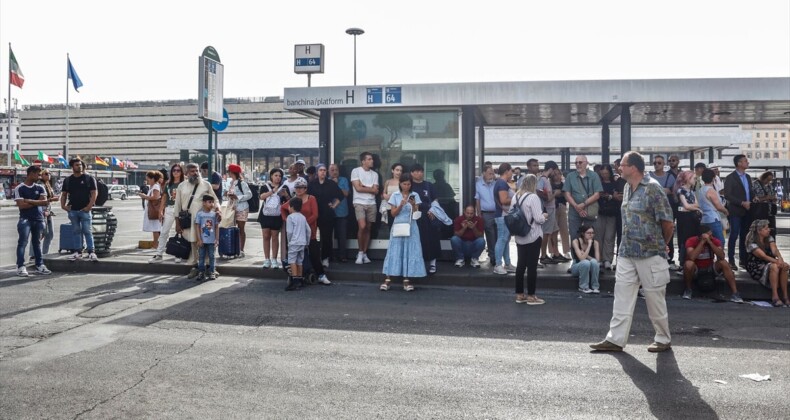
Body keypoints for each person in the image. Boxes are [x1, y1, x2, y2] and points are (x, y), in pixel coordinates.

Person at [590, 151, 674, 353]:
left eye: (623, 164)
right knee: (622, 296)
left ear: (634, 167)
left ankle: (663, 338)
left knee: (654, 298)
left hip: (650, 253)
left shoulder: (654, 189)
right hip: (627, 252)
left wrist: (662, 243)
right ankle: (615, 339)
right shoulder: (627, 187)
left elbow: (668, 222)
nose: (619, 167)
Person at [281, 177, 330, 285]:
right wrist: (287, 220)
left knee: (314, 254)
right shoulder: (293, 200)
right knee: (297, 257)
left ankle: (321, 275)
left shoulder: (311, 198)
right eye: (297, 187)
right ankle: (298, 277)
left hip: (310, 231)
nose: (299, 189)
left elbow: (315, 214)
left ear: (305, 188)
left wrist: (304, 224)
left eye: (301, 187)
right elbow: (283, 208)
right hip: (296, 234)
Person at [174, 163, 220, 279]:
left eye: (197, 170)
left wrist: (218, 210)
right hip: (188, 220)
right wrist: (177, 222)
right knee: (193, 242)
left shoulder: (206, 185)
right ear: (186, 173)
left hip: (205, 221)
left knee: (208, 243)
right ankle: (195, 267)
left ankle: (210, 268)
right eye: (192, 171)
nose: (196, 173)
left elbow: (214, 199)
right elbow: (177, 205)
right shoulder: (181, 186)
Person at [381, 173, 426, 291]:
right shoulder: (395, 195)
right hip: (398, 224)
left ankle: (407, 279)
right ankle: (387, 278)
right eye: (404, 184)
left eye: (409, 184)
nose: (406, 186)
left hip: (411, 225)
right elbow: (393, 214)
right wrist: (401, 205)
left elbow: (417, 214)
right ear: (400, 184)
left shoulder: (414, 195)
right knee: (395, 250)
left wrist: (413, 205)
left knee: (409, 251)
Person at [682, 225, 743, 303]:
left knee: (724, 263)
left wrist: (710, 243)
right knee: (688, 264)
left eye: (711, 234)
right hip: (696, 268)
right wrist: (702, 243)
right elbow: (692, 257)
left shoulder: (714, 240)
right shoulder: (691, 241)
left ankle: (735, 293)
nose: (710, 236)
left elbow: (721, 256)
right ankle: (688, 289)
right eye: (708, 235)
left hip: (710, 267)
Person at [511, 174, 547, 304]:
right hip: (533, 235)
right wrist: (544, 216)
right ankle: (531, 296)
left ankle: (520, 294)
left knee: (520, 265)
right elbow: (538, 219)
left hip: (520, 235)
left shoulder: (515, 196)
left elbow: (511, 213)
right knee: (532, 266)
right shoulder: (533, 197)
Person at [14, 166, 51, 277]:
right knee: (22, 243)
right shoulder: (20, 188)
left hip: (39, 219)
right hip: (25, 219)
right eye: (37, 174)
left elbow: (44, 202)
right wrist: (36, 202)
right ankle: (20, 266)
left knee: (37, 243)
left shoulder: (40, 187)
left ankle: (40, 265)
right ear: (30, 174)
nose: (39, 176)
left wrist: (28, 200)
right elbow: (21, 206)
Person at [744, 219, 790, 307]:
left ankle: (785, 296)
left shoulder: (769, 238)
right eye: (766, 228)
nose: (769, 229)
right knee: (774, 267)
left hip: (771, 262)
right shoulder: (752, 242)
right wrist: (777, 262)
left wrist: (780, 260)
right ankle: (775, 296)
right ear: (759, 231)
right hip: (756, 265)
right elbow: (763, 256)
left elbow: (775, 251)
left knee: (784, 267)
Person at [60, 158, 99, 262]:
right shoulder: (68, 180)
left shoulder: (89, 178)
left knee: (87, 231)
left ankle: (91, 251)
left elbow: (94, 193)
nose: (79, 166)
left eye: (80, 165)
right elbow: (64, 194)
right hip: (73, 210)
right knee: (76, 231)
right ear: (72, 167)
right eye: (77, 165)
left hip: (85, 210)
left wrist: (89, 206)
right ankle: (78, 251)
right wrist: (63, 206)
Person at [563, 155, 602, 254]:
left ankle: (591, 260)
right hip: (574, 211)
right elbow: (567, 193)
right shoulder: (570, 176)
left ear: (586, 163)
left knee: (590, 235)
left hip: (589, 210)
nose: (578, 165)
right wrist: (577, 207)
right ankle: (576, 260)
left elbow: (597, 194)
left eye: (580, 162)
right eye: (576, 163)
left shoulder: (594, 176)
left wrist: (583, 204)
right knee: (574, 235)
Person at [307, 163, 344, 269]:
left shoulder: (331, 183)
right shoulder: (312, 184)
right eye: (320, 170)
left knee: (326, 237)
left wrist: (334, 205)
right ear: (317, 172)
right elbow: (307, 197)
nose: (323, 172)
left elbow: (340, 196)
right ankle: (313, 257)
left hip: (327, 213)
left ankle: (325, 257)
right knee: (312, 236)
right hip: (314, 212)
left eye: (324, 170)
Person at [723, 154, 754, 270]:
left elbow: (750, 192)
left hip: (748, 211)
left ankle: (743, 259)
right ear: (739, 163)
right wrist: (742, 203)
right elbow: (727, 195)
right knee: (734, 234)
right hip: (736, 211)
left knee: (745, 236)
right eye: (745, 161)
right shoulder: (730, 177)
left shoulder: (748, 177)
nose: (748, 163)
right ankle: (731, 259)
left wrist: (752, 199)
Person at [649, 155, 679, 270]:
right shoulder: (649, 176)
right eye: (655, 163)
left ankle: (669, 259)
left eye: (659, 163)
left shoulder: (670, 177)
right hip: (652, 211)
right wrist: (664, 190)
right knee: (653, 234)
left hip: (666, 210)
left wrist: (669, 191)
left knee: (668, 234)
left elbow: (674, 191)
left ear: (663, 164)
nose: (657, 165)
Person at [150, 163, 184, 263]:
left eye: (178, 170)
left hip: (181, 211)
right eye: (174, 170)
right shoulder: (169, 183)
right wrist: (161, 211)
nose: (176, 172)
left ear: (181, 172)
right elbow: (164, 198)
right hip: (169, 209)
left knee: (180, 233)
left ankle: (179, 254)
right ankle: (159, 254)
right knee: (164, 232)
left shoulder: (184, 183)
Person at [350, 152, 379, 265]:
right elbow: (357, 188)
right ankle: (360, 252)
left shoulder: (375, 174)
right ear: (363, 161)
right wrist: (369, 188)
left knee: (368, 227)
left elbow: (376, 190)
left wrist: (363, 186)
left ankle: (365, 253)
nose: (372, 161)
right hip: (359, 202)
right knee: (362, 226)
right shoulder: (355, 171)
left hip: (372, 203)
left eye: (372, 159)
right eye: (369, 159)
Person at [259, 168, 287, 269]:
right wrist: (272, 191)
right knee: (266, 236)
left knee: (275, 237)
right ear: (271, 176)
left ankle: (274, 259)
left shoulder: (284, 187)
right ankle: (267, 259)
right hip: (265, 215)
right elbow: (261, 197)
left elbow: (288, 201)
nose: (278, 178)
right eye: (276, 175)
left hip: (277, 215)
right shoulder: (265, 186)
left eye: (280, 176)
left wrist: (286, 195)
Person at [28, 169, 58, 259]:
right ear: (41, 175)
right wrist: (51, 200)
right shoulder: (40, 185)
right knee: (39, 233)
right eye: (46, 174)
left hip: (48, 211)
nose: (48, 175)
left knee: (49, 233)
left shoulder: (47, 184)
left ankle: (44, 254)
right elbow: (38, 200)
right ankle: (34, 254)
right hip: (41, 211)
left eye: (49, 174)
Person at [225, 164, 253, 257]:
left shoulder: (242, 183)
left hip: (242, 208)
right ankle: (233, 249)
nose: (228, 173)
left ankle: (241, 250)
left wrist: (238, 197)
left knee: (241, 229)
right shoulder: (231, 183)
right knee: (232, 229)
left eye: (229, 171)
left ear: (233, 172)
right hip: (232, 209)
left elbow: (249, 195)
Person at [675, 170, 702, 267]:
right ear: (688, 179)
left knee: (692, 238)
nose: (695, 180)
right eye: (694, 178)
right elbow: (687, 206)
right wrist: (693, 207)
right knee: (684, 240)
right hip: (684, 218)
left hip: (691, 218)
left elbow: (695, 204)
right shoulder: (681, 190)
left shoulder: (691, 191)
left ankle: (690, 260)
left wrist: (692, 207)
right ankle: (683, 262)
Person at [493, 163, 516, 275]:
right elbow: (503, 200)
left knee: (505, 239)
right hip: (502, 215)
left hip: (503, 215)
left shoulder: (501, 183)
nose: (512, 173)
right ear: (507, 171)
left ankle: (507, 263)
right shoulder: (502, 183)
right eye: (511, 171)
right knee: (502, 238)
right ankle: (498, 265)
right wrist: (517, 199)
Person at [537, 161, 562, 265]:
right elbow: (541, 194)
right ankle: (543, 255)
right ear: (551, 169)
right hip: (548, 209)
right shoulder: (543, 179)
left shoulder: (545, 179)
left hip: (551, 208)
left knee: (555, 230)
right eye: (554, 171)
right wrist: (554, 194)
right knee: (546, 233)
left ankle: (556, 253)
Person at [595, 164, 619, 271]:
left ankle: (607, 259)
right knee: (599, 236)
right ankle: (599, 258)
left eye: (606, 173)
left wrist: (609, 196)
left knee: (609, 237)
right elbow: (598, 195)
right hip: (600, 212)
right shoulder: (597, 183)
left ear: (610, 173)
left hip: (612, 212)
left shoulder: (615, 183)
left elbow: (617, 196)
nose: (605, 175)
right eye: (603, 173)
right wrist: (611, 196)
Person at [285, 197, 311, 291]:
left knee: (292, 260)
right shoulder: (303, 217)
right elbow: (308, 230)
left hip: (294, 242)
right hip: (302, 242)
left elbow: (289, 232)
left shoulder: (290, 217)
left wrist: (289, 241)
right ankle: (300, 280)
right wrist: (307, 242)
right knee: (300, 261)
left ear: (291, 207)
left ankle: (295, 281)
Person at [697, 169, 728, 245]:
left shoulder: (701, 190)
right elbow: (718, 206)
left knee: (707, 242)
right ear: (713, 178)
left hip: (703, 219)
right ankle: (719, 257)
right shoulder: (711, 190)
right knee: (720, 241)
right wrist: (726, 211)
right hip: (713, 218)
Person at [474, 165, 497, 263]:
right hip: (486, 214)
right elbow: (477, 200)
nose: (491, 176)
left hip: (497, 213)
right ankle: (493, 256)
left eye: (492, 173)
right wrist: (479, 215)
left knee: (498, 235)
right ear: (483, 173)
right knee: (491, 235)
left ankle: (497, 255)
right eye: (489, 173)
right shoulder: (478, 185)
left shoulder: (495, 184)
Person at [194, 194, 219, 281]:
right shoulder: (200, 214)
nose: (211, 204)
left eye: (213, 202)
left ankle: (212, 271)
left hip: (212, 240)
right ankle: (201, 272)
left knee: (212, 256)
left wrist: (217, 239)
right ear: (204, 203)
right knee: (201, 256)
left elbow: (216, 227)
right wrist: (199, 239)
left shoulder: (214, 214)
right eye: (209, 202)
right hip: (202, 240)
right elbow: (197, 226)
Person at [329, 163, 351, 262]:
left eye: (336, 170)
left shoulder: (344, 180)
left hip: (342, 212)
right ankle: (330, 255)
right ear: (329, 172)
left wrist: (336, 185)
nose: (334, 172)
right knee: (329, 235)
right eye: (332, 170)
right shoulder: (327, 181)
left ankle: (342, 256)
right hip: (330, 211)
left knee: (342, 235)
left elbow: (346, 193)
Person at [571, 225, 601, 294]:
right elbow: (581, 259)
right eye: (588, 233)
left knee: (593, 262)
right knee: (585, 262)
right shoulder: (576, 241)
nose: (591, 235)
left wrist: (586, 254)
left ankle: (595, 287)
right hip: (577, 266)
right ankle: (583, 287)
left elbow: (597, 260)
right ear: (583, 233)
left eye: (592, 233)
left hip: (591, 267)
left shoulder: (595, 243)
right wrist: (589, 246)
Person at [550, 167, 571, 260]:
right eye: (554, 175)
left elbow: (566, 195)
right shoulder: (549, 185)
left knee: (564, 230)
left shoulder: (564, 184)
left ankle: (566, 251)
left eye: (558, 174)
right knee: (552, 231)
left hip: (562, 207)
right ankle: (552, 251)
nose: (556, 176)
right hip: (552, 208)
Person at [138, 171, 163, 245]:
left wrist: (144, 196)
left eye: (148, 179)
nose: (147, 181)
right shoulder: (152, 186)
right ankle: (156, 243)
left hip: (155, 210)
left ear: (152, 179)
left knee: (156, 228)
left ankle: (156, 244)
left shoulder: (155, 186)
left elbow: (156, 197)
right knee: (154, 228)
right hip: (152, 210)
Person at [751, 171, 778, 236]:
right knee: (760, 231)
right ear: (763, 177)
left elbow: (773, 195)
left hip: (770, 212)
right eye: (767, 179)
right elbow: (753, 199)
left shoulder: (770, 186)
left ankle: (771, 245)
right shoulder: (755, 184)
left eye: (770, 180)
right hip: (760, 212)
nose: (768, 182)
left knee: (772, 231)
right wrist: (764, 198)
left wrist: (773, 198)